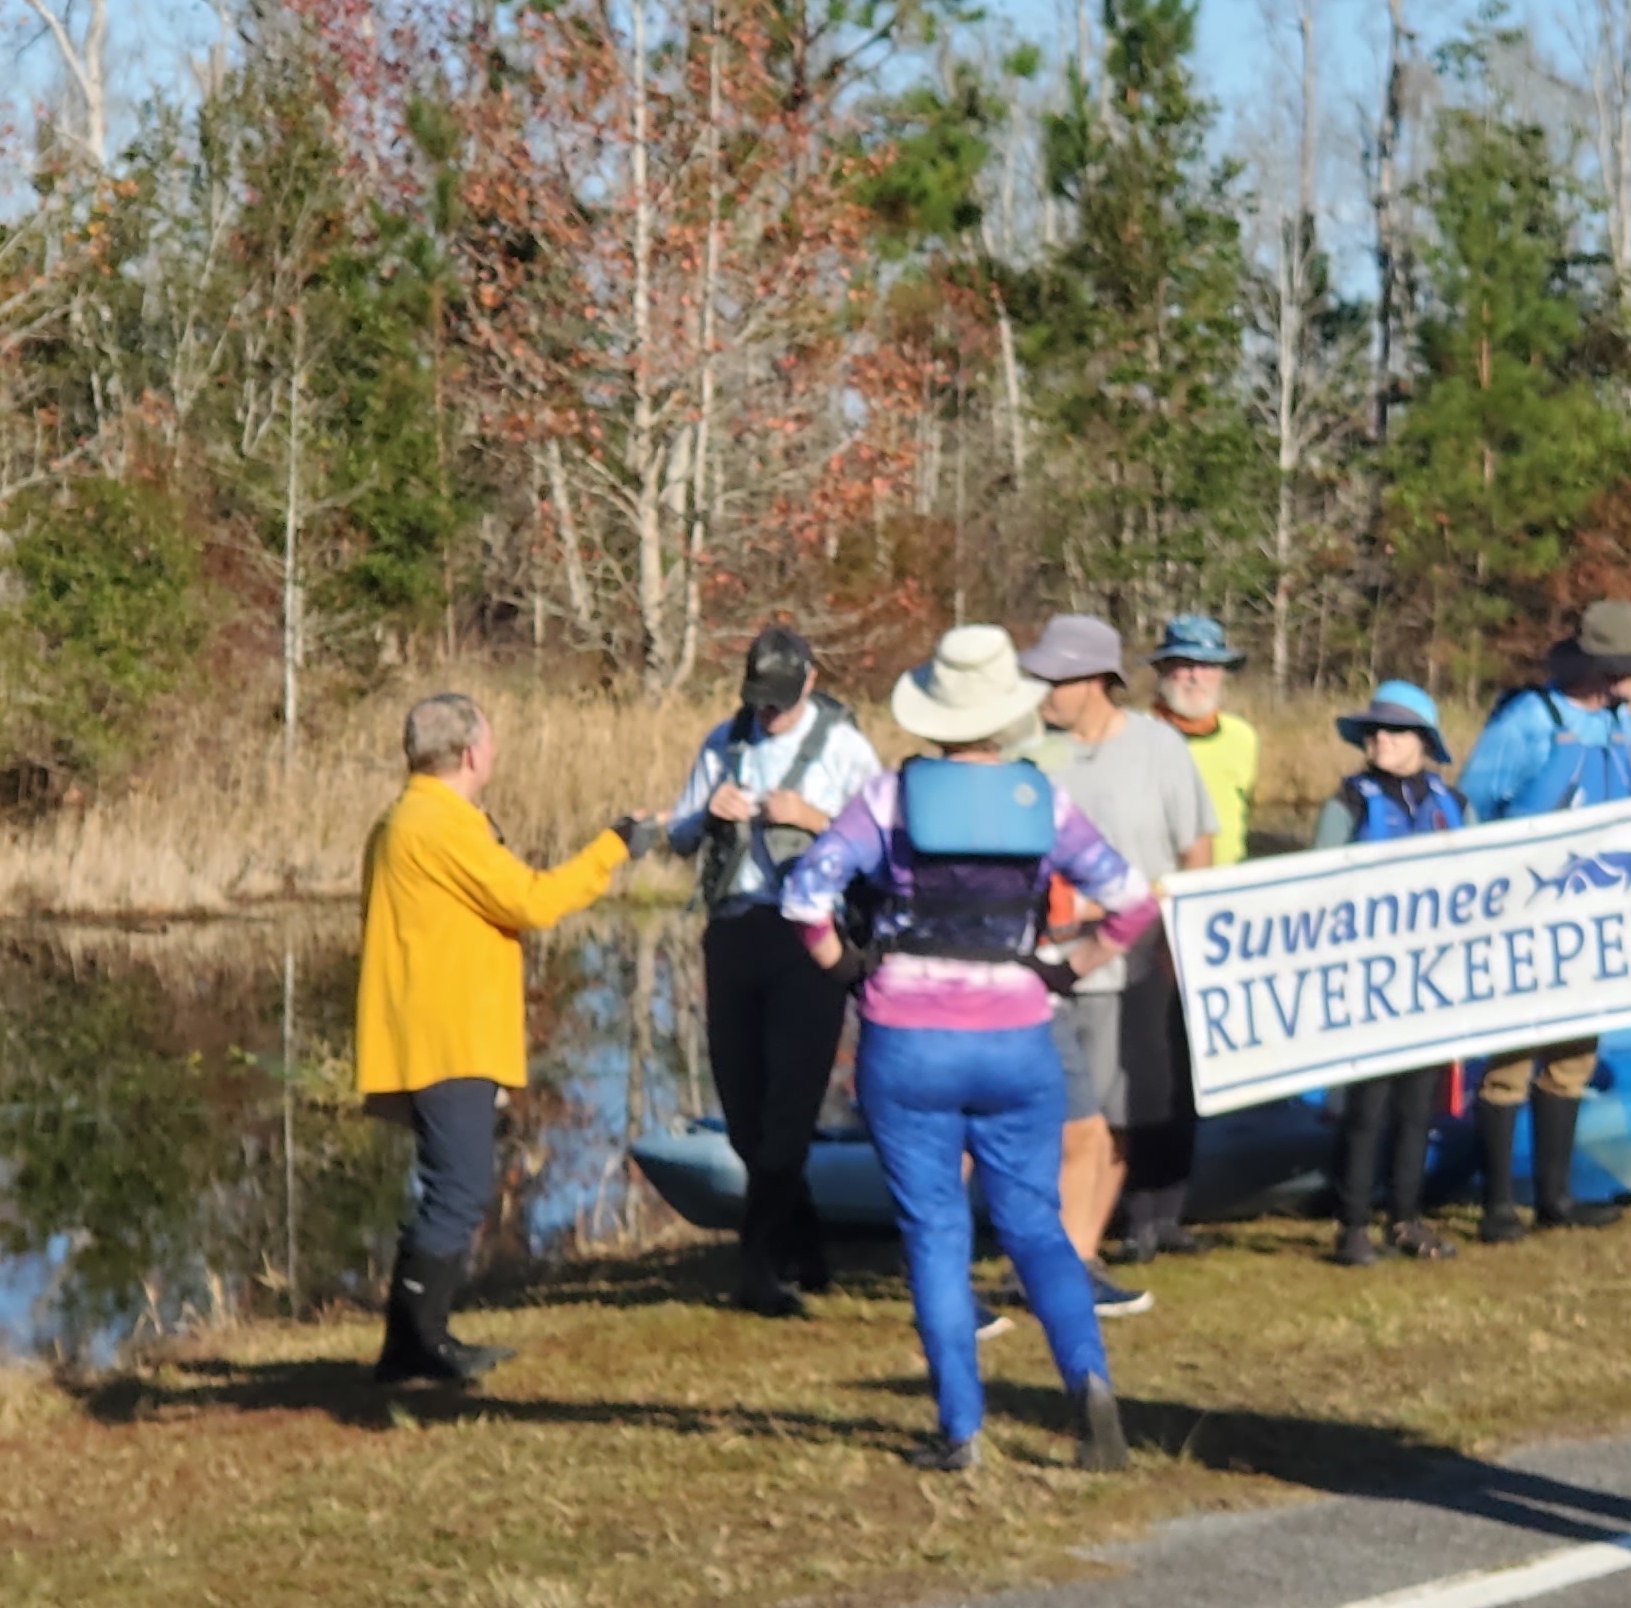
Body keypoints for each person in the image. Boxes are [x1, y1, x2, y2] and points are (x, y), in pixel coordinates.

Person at [781, 626, 1142, 1472]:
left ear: (934, 713)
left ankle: (961, 1431)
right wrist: (1065, 969)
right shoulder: (1041, 800)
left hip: (906, 1045)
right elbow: (1129, 901)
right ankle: (1091, 1395)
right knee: (1036, 1226)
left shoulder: (888, 800)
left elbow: (805, 898)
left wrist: (848, 969)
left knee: (936, 1231)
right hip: (1018, 1040)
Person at [357, 693, 652, 1385]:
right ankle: (417, 1347)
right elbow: (534, 900)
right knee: (459, 1190)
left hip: (434, 1030)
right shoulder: (438, 824)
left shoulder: (408, 819)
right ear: (469, 754)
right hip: (446, 1035)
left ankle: (412, 1344)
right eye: (490, 740)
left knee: (450, 1186)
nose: (494, 751)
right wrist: (614, 846)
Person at [662, 625, 886, 1318]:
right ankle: (807, 1245)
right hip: (734, 933)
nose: (768, 713)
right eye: (760, 699)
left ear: (811, 683)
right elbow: (677, 837)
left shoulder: (847, 749)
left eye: (781, 701)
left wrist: (816, 819)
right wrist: (707, 812)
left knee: (789, 1110)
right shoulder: (722, 742)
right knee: (742, 1114)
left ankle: (759, 1271)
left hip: (809, 938)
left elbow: (885, 848)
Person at [1454, 597, 1631, 1241]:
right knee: (1511, 1057)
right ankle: (1497, 1203)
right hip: (1522, 913)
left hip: (1593, 915)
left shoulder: (1623, 724)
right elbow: (1472, 804)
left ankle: (1556, 1196)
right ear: (1603, 667)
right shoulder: (1528, 720)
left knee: (1575, 1053)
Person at [1020, 613, 1215, 1296]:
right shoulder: (1034, 753)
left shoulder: (1160, 748)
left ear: (1096, 680)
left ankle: (1083, 1254)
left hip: (1136, 964)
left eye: (1054, 677)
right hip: (1042, 971)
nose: (1041, 688)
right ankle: (1055, 1252)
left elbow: (1197, 849)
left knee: (1119, 1114)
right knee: (1056, 1119)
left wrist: (1185, 945)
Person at [1313, 682, 1469, 1266]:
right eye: (1375, 730)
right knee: (1367, 1106)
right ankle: (1352, 1225)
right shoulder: (1348, 802)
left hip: (1433, 977)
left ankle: (1405, 1218)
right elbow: (1315, 879)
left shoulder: (1452, 803)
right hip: (1367, 978)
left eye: (1396, 731)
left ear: (1423, 742)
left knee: (1416, 1107)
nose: (1381, 739)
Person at [1152, 614, 1262, 866]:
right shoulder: (1136, 735)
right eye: (1186, 664)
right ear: (1163, 669)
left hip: (1230, 889)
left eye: (1208, 665)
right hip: (1159, 891)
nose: (1196, 677)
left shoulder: (1242, 736)